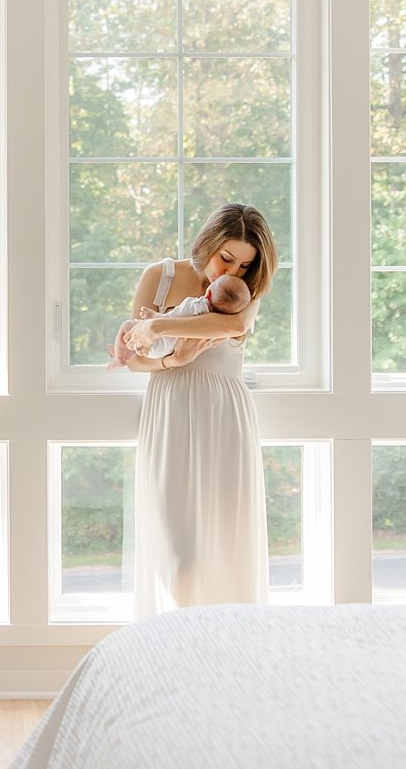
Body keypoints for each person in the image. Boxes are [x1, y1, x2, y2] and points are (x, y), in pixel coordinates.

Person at [118, 202, 278, 619]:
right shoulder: (161, 276)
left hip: (224, 414)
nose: (233, 273)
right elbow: (134, 358)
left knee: (227, 547)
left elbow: (232, 326)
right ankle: (178, 645)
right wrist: (173, 358)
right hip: (169, 408)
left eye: (244, 264)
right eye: (226, 258)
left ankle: (230, 649)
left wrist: (159, 325)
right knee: (178, 553)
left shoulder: (248, 289)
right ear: (207, 242)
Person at [105, 273, 251, 371]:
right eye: (226, 258)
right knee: (134, 339)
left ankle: (119, 357)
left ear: (208, 292)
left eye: (245, 265)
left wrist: (154, 316)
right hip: (163, 351)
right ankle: (124, 354)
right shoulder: (217, 325)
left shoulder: (193, 305)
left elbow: (172, 318)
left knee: (128, 326)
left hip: (159, 346)